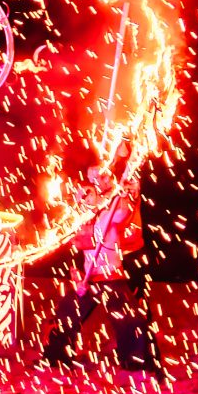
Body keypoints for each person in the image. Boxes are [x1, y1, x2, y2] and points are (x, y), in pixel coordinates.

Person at [42, 144, 159, 374]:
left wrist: (127, 191)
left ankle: (136, 359)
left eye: (101, 176)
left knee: (130, 318)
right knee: (66, 312)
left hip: (113, 277)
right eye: (92, 179)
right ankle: (57, 356)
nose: (88, 196)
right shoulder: (84, 215)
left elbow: (124, 210)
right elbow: (76, 244)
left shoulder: (112, 209)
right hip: (90, 279)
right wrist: (77, 276)